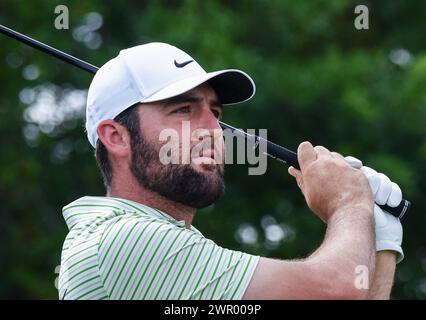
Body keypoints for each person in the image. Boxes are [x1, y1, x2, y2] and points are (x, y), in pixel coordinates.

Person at [58, 43, 404, 300]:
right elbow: (338, 290)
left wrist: (378, 239)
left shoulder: (179, 260)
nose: (213, 128)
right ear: (116, 137)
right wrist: (348, 203)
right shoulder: (120, 242)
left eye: (215, 112)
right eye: (183, 110)